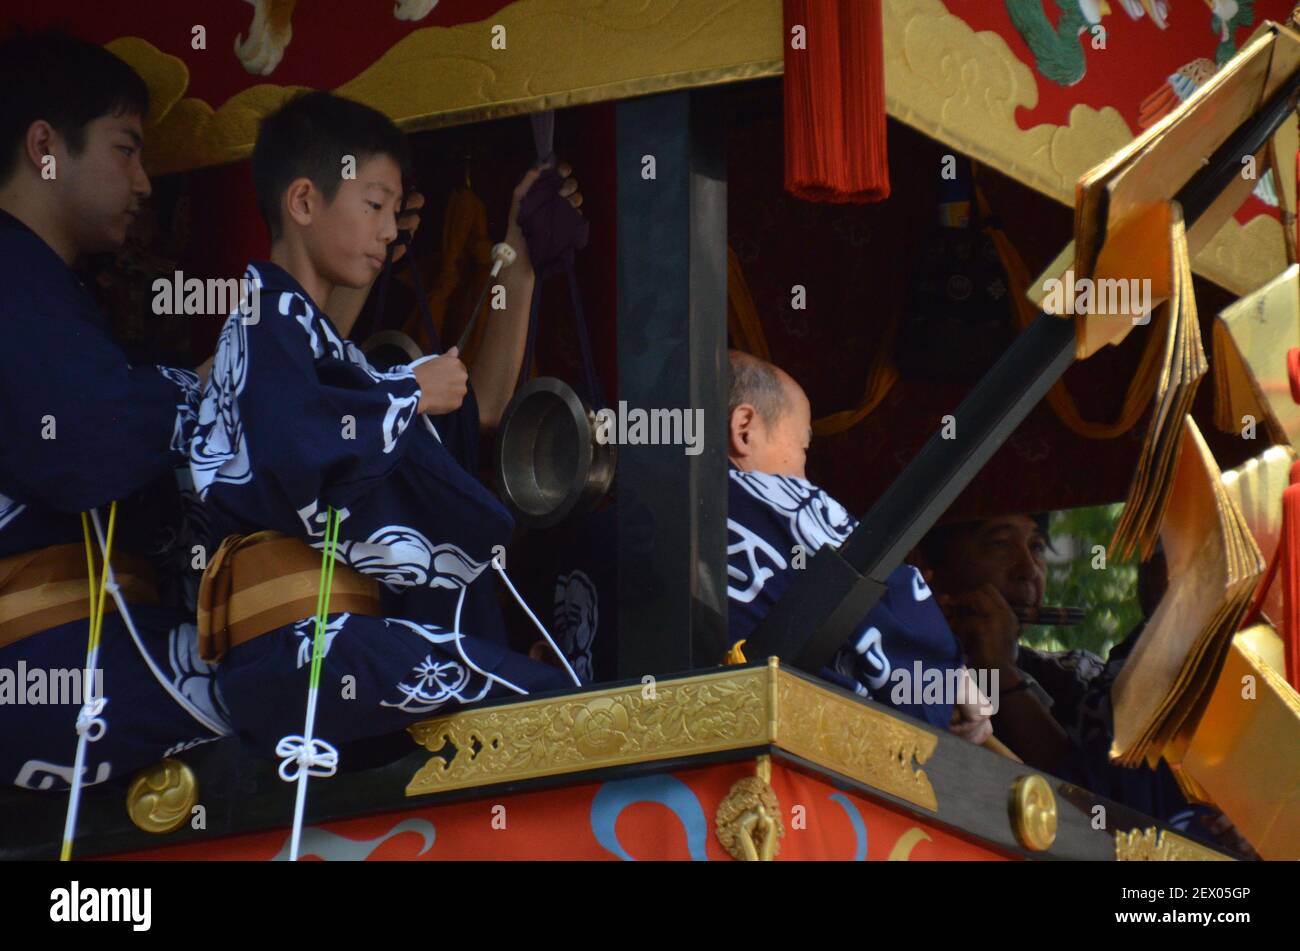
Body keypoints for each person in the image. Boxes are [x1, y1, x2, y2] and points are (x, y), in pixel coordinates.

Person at [189, 91, 574, 763]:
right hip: (296, 641)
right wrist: (405, 391)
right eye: (374, 206)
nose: (391, 231)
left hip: (330, 642)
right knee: (551, 706)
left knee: (538, 701)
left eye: (395, 213)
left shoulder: (318, 349)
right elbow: (300, 449)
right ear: (304, 203)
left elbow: (474, 411)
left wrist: (520, 247)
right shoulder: (259, 320)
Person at [0, 32, 231, 790]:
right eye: (126, 149)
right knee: (311, 675)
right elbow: (80, 440)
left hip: (71, 652)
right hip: (41, 662)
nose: (143, 183)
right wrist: (203, 389)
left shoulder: (46, 290)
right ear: (45, 148)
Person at [724, 352, 991, 742]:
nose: (803, 473)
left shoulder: (612, 519)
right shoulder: (779, 501)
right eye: (802, 448)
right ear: (744, 428)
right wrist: (952, 682)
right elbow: (890, 603)